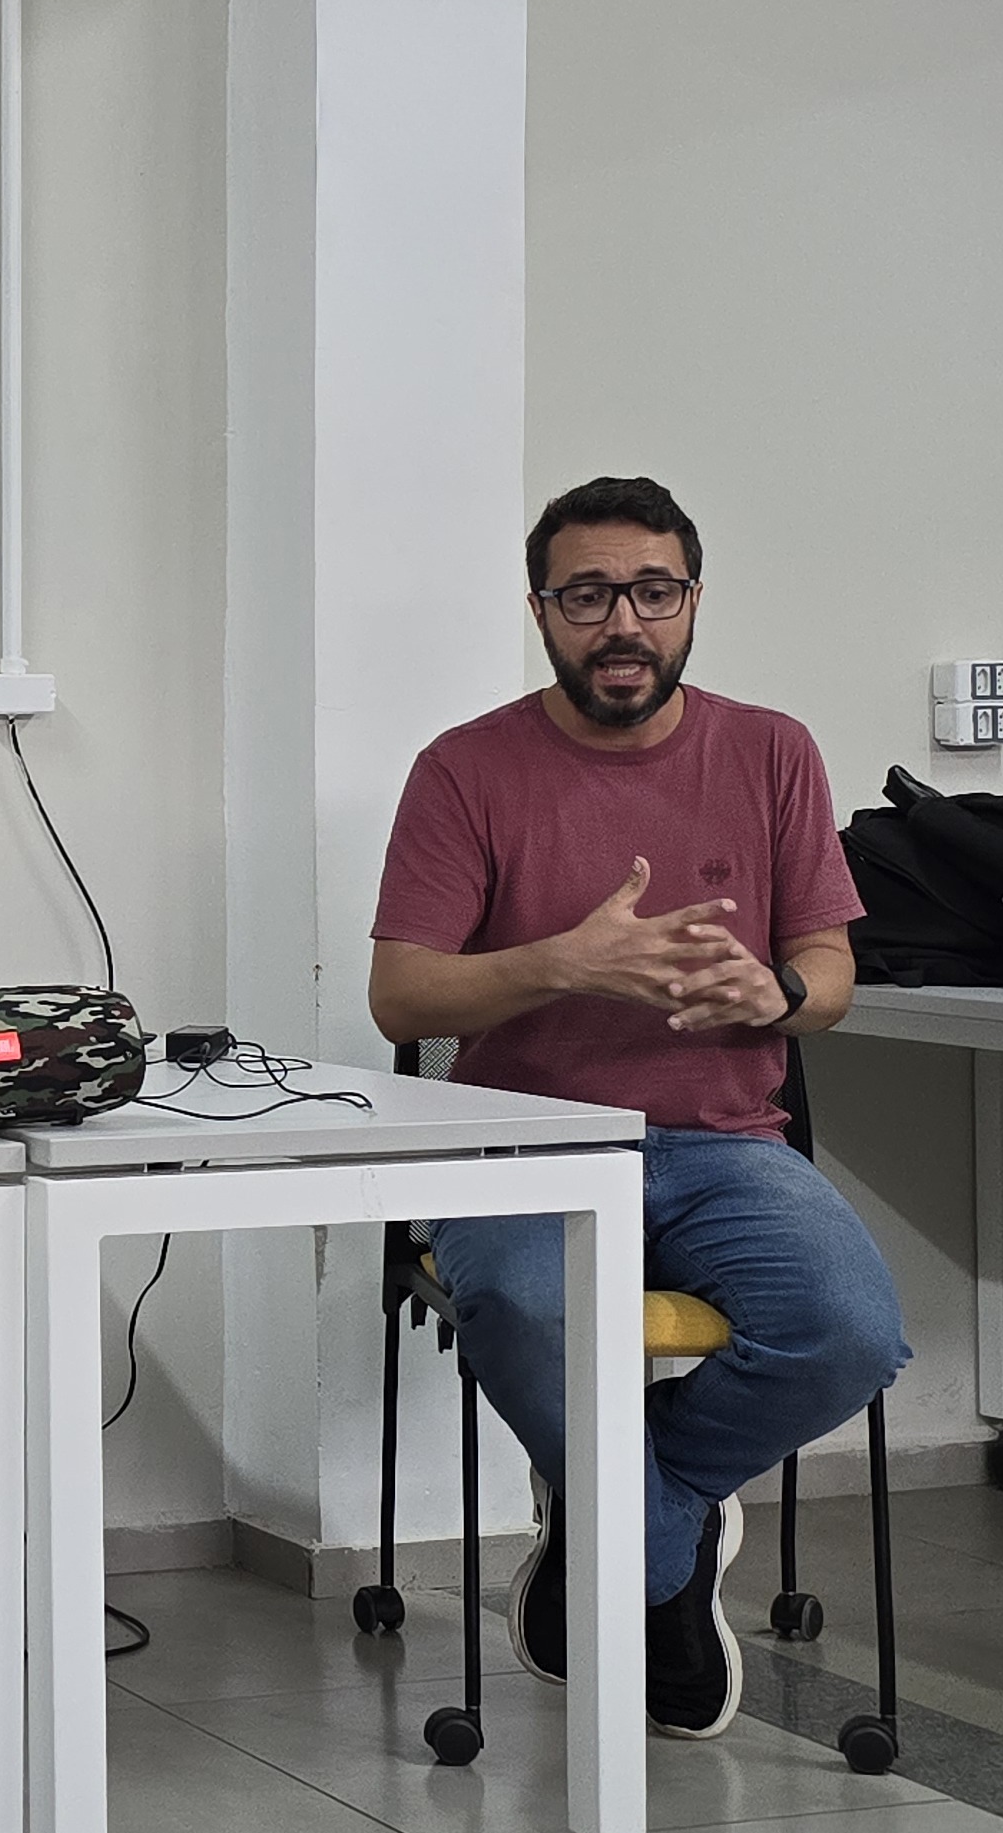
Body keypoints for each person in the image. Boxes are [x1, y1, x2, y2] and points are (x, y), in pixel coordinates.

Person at [368, 474, 906, 1740]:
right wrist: (562, 962)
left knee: (849, 1329)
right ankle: (667, 1549)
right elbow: (401, 994)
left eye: (652, 592)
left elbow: (829, 973)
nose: (623, 622)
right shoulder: (464, 767)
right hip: (523, 1143)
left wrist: (775, 991)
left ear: (692, 600)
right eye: (588, 595)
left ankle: (610, 1504)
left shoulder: (770, 749)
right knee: (521, 1310)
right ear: (540, 610)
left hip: (724, 1142)